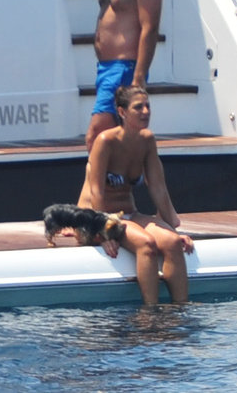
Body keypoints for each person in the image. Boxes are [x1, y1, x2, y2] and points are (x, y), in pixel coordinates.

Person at [52, 0, 163, 151]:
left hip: (125, 69)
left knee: (96, 136)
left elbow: (150, 28)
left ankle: (103, 178)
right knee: (116, 142)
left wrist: (138, 79)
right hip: (106, 69)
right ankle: (123, 177)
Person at [78, 85, 194, 305]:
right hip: (95, 217)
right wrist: (104, 234)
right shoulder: (105, 141)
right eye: (138, 107)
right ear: (122, 112)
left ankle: (180, 310)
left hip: (129, 213)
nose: (146, 112)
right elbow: (96, 192)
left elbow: (158, 187)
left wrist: (171, 227)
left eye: (148, 106)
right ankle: (150, 313)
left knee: (171, 242)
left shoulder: (147, 140)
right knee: (146, 244)